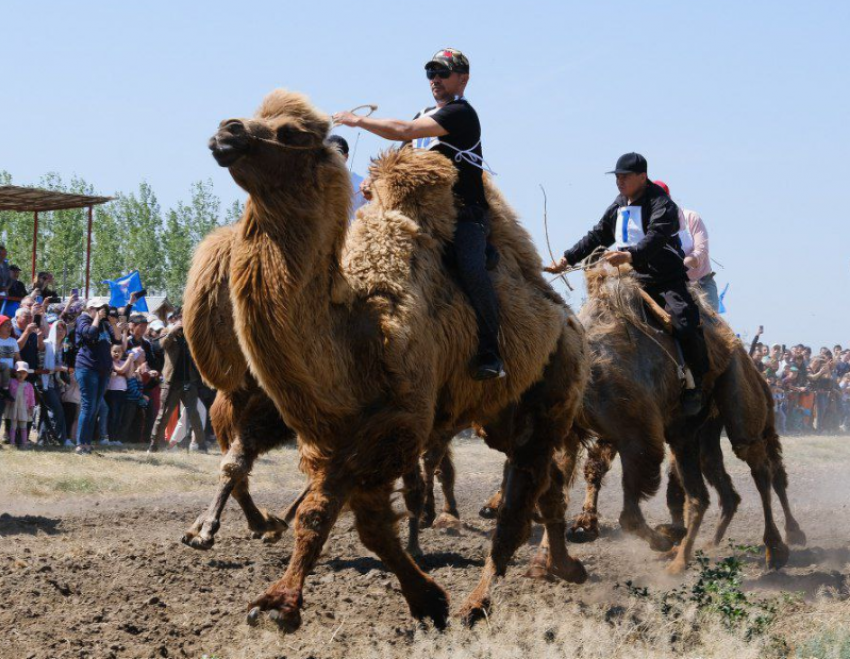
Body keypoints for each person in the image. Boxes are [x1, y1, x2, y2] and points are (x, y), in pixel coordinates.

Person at [333, 47, 504, 380]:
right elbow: (400, 154)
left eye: (443, 73)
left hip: (462, 216)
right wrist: (374, 179)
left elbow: (403, 132)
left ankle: (491, 350)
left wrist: (358, 121)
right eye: (431, 74)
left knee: (470, 268)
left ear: (462, 79)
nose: (435, 80)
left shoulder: (460, 114)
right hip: (417, 215)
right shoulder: (423, 114)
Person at [547, 152, 710, 415]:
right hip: (628, 279)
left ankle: (695, 383)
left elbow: (657, 235)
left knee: (685, 322)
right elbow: (599, 233)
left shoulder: (662, 203)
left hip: (664, 280)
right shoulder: (620, 202)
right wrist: (567, 258)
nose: (619, 182)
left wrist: (631, 255)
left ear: (642, 177)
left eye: (624, 177)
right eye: (617, 177)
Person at [652, 181, 719, 311]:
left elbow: (701, 251)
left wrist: (680, 266)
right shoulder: (650, 228)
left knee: (713, 326)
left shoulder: (691, 218)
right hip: (671, 289)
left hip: (701, 284)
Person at [147, 311, 206, 452]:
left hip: (189, 380)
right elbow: (163, 344)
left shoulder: (191, 333)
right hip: (171, 381)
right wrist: (173, 331)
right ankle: (154, 445)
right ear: (177, 318)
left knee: (194, 414)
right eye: (182, 318)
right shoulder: (167, 330)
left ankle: (202, 445)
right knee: (164, 414)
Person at [74, 298, 125, 455]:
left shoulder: (104, 324)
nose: (102, 310)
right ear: (91, 308)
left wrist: (114, 323)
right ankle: (80, 444)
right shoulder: (83, 319)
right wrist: (97, 316)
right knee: (88, 406)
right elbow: (89, 334)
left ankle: (87, 443)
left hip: (103, 370)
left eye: (103, 308)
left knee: (95, 408)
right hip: (87, 368)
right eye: (99, 308)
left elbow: (117, 340)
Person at [40, 319, 69, 445]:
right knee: (58, 411)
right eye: (58, 328)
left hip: (57, 383)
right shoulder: (47, 344)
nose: (61, 331)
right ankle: (61, 439)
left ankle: (42, 440)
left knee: (46, 413)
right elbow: (45, 366)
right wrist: (61, 368)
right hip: (45, 383)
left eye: (63, 328)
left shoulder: (64, 347)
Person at [326, 135, 367, 219]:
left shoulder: (361, 183)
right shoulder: (316, 181)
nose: (332, 159)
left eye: (337, 154)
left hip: (351, 231)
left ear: (346, 156)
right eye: (328, 154)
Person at [5, 361, 35, 449]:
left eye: (24, 372)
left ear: (27, 374)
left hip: (24, 409)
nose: (21, 374)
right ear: (15, 372)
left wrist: (31, 407)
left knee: (23, 426)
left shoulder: (29, 385)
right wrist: (7, 400)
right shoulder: (11, 382)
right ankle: (12, 443)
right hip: (13, 408)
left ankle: (24, 443)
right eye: (19, 372)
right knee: (13, 425)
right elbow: (7, 392)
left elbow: (32, 398)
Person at [0, 314, 21, 402]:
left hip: (8, 375)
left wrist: (20, 368)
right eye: (6, 325)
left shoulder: (13, 341)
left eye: (10, 325)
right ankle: (5, 391)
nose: (9, 327)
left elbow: (17, 358)